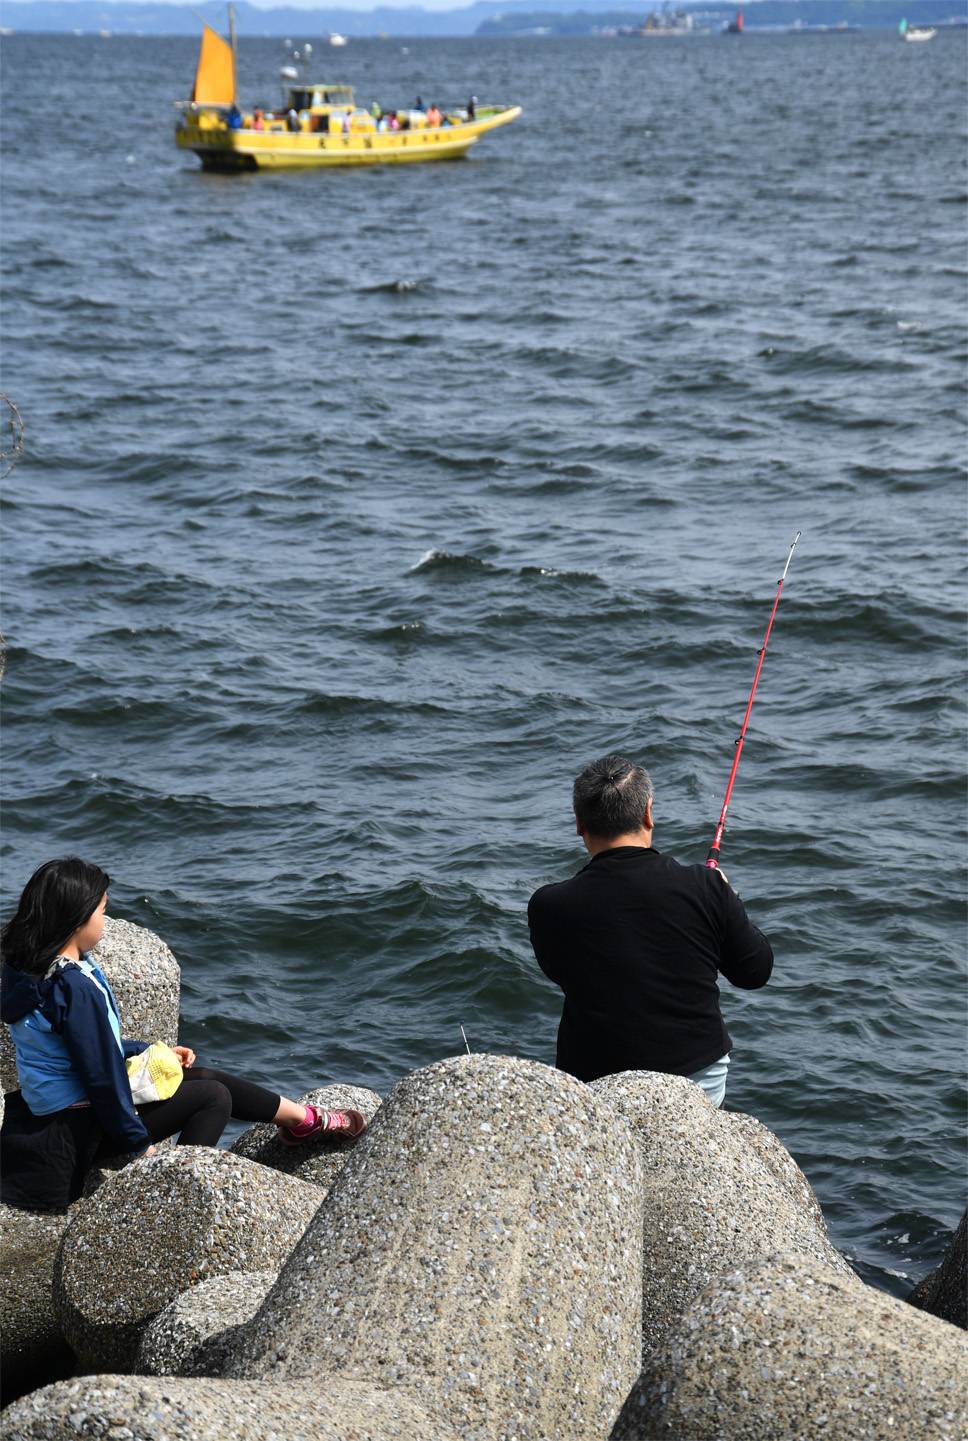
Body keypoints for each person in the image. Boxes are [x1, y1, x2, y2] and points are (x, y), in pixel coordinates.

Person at [0, 858, 366, 1212]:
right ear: (76, 919)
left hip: (56, 1116)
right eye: (101, 911)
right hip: (72, 1132)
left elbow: (79, 1049)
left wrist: (144, 1050)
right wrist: (141, 1148)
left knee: (202, 1078)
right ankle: (173, 1192)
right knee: (211, 1097)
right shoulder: (73, 986)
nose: (105, 920)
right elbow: (101, 1080)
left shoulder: (33, 969)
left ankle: (303, 1120)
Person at [528, 756, 773, 1106]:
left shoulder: (548, 905)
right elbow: (755, 972)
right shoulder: (705, 887)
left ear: (580, 825)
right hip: (698, 1078)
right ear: (648, 814)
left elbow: (559, 971)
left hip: (595, 1080)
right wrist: (724, 896)